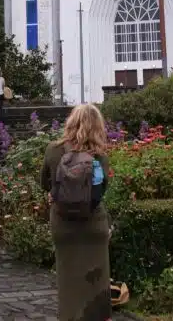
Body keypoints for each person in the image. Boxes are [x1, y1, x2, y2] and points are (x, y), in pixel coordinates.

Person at [39, 104, 112, 321]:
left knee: (68, 283)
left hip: (63, 224)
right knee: (96, 284)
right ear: (98, 127)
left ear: (71, 122)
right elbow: (101, 191)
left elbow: (44, 183)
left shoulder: (53, 150)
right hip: (93, 226)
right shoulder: (99, 156)